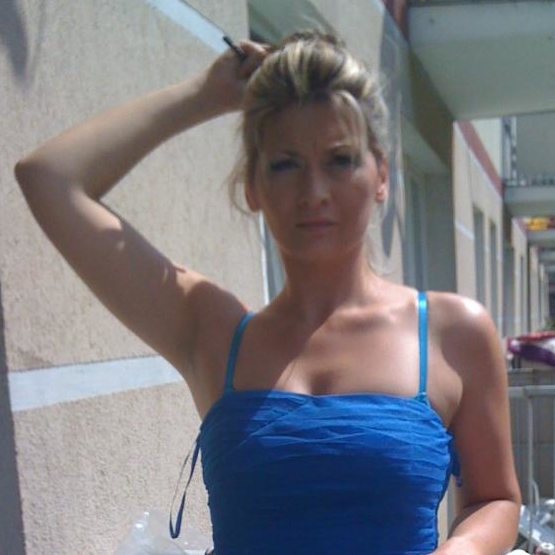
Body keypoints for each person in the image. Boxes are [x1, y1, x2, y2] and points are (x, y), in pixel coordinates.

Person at [15, 30, 521, 555]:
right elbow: (49, 178)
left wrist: (461, 551)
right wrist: (203, 96)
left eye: (339, 160)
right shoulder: (210, 331)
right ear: (253, 187)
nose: (314, 192)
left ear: (381, 176)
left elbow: (495, 499)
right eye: (285, 164)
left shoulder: (453, 332)